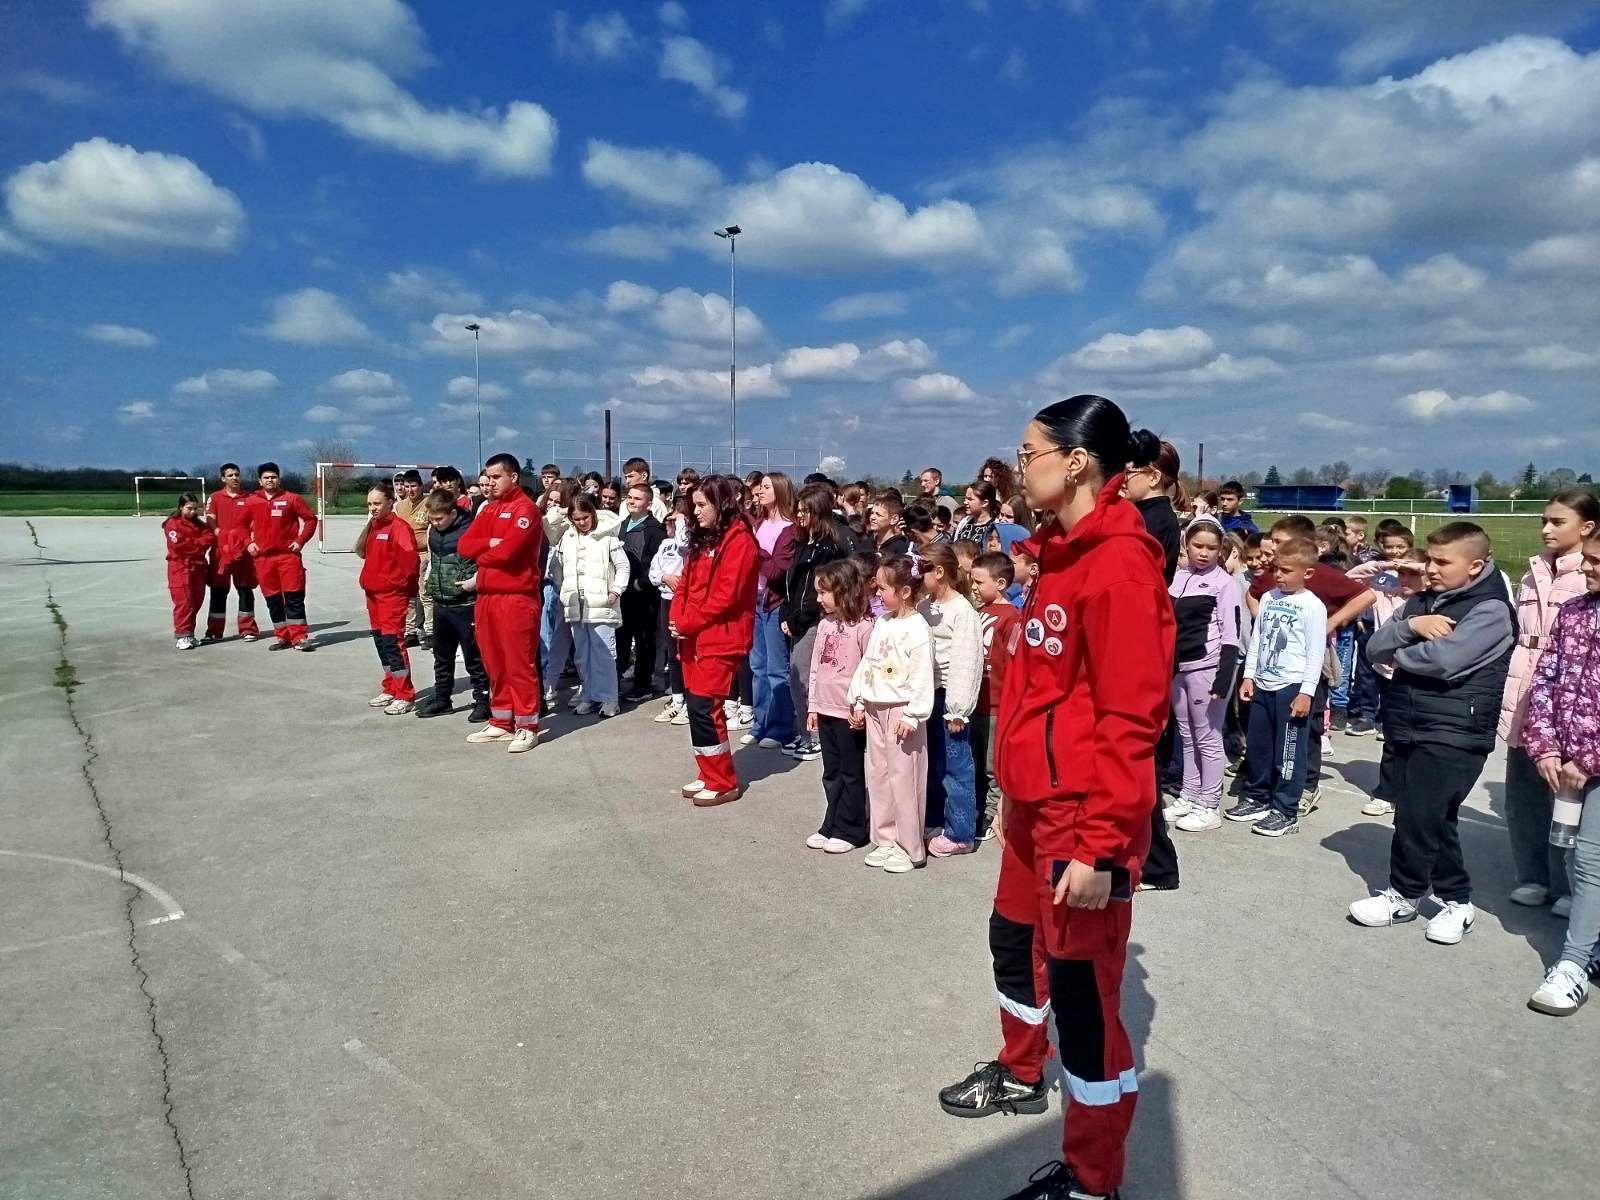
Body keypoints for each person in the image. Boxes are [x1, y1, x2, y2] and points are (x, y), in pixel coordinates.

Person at [939, 395, 1172, 1200]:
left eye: (1028, 449)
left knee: (1084, 1004)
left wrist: (1104, 845)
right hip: (1033, 810)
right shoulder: (1058, 556)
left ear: (1076, 461)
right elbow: (1046, 689)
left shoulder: (1119, 563)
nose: (1016, 461)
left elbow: (1131, 714)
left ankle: (1091, 1178)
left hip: (1082, 822)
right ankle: (1018, 1069)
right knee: (1012, 944)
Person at [1348, 522, 1515, 945]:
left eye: (1444, 562)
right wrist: (1410, 627)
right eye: (1431, 560)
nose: (1433, 569)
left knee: (1424, 812)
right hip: (1409, 719)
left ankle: (1424, 895)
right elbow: (1373, 650)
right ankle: (1445, 899)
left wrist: (1400, 652)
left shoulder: (1490, 609)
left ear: (1475, 565)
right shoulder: (1421, 602)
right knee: (1420, 813)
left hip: (1456, 727)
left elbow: (1446, 661)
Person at [1500, 490, 1598, 916]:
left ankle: (1568, 885)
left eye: (1558, 522)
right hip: (1527, 692)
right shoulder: (1534, 570)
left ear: (1587, 528)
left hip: (1573, 700)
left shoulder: (1589, 578)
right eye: (1545, 520)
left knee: (1567, 796)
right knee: (1522, 793)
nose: (1545, 529)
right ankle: (1533, 876)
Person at [1519, 529, 1600, 1014]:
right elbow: (1546, 678)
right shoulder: (1575, 612)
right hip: (1565, 764)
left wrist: (1588, 759)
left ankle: (1572, 963)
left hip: (1586, 764)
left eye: (1595, 561)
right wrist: (1545, 746)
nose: (1586, 568)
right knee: (1574, 856)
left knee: (1590, 859)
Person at [1247, 515, 1376, 812]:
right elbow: (1253, 595)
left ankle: (1305, 785)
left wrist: (1330, 622)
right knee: (1270, 734)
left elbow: (1367, 595)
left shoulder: (1321, 577)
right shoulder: (1276, 576)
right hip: (1274, 664)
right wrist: (1263, 620)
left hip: (1308, 664)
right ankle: (1264, 790)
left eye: (1280, 543)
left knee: (1307, 727)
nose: (1272, 549)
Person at [1225, 537, 1325, 836]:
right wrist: (1249, 675)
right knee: (1258, 746)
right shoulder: (1268, 598)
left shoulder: (1312, 606)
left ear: (1307, 573)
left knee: (1289, 753)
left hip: (1291, 688)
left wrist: (1306, 691)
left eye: (1286, 571)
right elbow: (1257, 640)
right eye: (1276, 570)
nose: (1278, 576)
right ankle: (1257, 796)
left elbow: (1315, 652)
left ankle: (1285, 810)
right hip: (1263, 685)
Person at [669, 475, 759, 807]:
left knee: (706, 707)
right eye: (694, 505)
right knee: (698, 708)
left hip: (719, 638)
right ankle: (708, 772)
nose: (696, 511)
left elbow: (726, 597)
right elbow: (683, 584)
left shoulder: (739, 542)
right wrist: (677, 618)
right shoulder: (703, 541)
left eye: (702, 504)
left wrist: (687, 622)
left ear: (721, 505)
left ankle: (722, 780)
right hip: (694, 636)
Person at [848, 555, 936, 874]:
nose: (877, 594)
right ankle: (885, 838)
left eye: (883, 588)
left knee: (905, 777)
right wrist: (858, 697)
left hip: (901, 711)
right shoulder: (883, 622)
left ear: (905, 592)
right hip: (875, 705)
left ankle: (910, 845)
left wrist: (913, 714)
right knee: (880, 773)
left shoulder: (917, 628)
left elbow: (923, 675)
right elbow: (869, 661)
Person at [1122, 438, 1182, 890]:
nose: (1126, 475)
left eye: (1134, 469)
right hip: (1141, 640)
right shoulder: (1146, 516)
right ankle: (1152, 858)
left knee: (1134, 760)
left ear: (1155, 475)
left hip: (1139, 643)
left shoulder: (1153, 520)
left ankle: (1157, 861)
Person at [457, 453, 544, 753]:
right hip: (487, 597)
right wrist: (490, 544)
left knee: (518, 663)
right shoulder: (487, 509)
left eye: (496, 477)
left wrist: (487, 549)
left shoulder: (526, 510)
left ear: (513, 477)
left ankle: (527, 725)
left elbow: (508, 553)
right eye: (488, 478)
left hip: (517, 598)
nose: (490, 483)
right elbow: (464, 546)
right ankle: (502, 720)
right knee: (494, 662)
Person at [1164, 518, 1244, 833]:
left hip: (1206, 668)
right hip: (1177, 670)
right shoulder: (1178, 577)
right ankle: (1190, 793)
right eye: (1198, 546)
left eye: (1212, 548)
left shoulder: (1225, 584)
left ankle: (1209, 804)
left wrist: (1223, 679)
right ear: (1187, 545)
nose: (1204, 553)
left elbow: (1230, 634)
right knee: (1186, 735)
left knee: (1208, 737)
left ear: (1221, 550)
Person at [1345, 547, 1429, 814]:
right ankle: (1386, 792)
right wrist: (1386, 565)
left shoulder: (1436, 599)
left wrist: (1422, 570)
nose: (1404, 578)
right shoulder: (1385, 593)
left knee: (1422, 740)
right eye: (1401, 573)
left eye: (1411, 573)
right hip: (1388, 674)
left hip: (1421, 677)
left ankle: (1415, 792)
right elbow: (1350, 578)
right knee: (1394, 737)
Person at [918, 541, 985, 857]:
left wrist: (958, 710)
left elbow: (966, 662)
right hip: (924, 695)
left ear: (940, 572)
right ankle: (933, 821)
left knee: (955, 766)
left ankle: (960, 832)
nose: (918, 577)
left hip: (948, 699)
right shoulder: (924, 606)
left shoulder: (963, 612)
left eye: (923, 570)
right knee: (930, 764)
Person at [804, 559, 875, 853]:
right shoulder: (824, 624)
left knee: (850, 771)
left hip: (848, 712)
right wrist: (812, 706)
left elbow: (868, 670)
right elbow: (815, 667)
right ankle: (831, 821)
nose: (819, 599)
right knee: (831, 771)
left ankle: (852, 827)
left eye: (824, 592)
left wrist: (860, 707)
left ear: (844, 590)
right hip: (825, 708)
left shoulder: (865, 628)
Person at [782, 484, 851, 760]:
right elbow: (793, 585)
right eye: (797, 511)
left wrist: (799, 619)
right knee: (797, 677)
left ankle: (812, 737)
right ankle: (803, 733)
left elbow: (820, 592)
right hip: (796, 619)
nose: (799, 516)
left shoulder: (829, 548)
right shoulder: (802, 543)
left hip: (814, 620)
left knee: (804, 678)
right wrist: (787, 615)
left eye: (805, 511)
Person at [417, 489, 490, 721]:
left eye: (439, 519)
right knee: (442, 655)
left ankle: (482, 700)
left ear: (452, 512)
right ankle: (442, 698)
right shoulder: (433, 532)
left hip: (465, 602)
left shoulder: (471, 529)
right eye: (432, 519)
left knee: (474, 656)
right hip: (441, 602)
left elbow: (484, 561)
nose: (435, 523)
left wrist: (473, 582)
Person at [554, 494, 629, 718]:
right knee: (582, 655)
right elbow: (557, 568)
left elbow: (623, 566)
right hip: (576, 605)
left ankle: (609, 699)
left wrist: (615, 590)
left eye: (585, 517)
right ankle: (588, 695)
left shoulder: (608, 537)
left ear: (593, 514)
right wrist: (564, 592)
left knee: (604, 654)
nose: (581, 522)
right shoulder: (566, 539)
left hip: (602, 604)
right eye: (576, 519)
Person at [354, 485, 421, 715]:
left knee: (393, 643)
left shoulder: (399, 528)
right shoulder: (373, 526)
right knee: (381, 642)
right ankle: (390, 686)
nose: (372, 508)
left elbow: (410, 564)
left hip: (391, 596)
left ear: (390, 502)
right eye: (370, 504)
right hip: (373, 594)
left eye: (377, 503)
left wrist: (400, 587)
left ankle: (405, 694)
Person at [970, 551, 1021, 841]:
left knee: (992, 766)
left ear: (1000, 583)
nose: (974, 587)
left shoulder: (1011, 617)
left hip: (996, 704)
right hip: (975, 701)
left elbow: (1013, 662)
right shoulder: (981, 612)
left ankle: (992, 815)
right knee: (976, 762)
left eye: (979, 582)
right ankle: (978, 810)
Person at [243, 462, 317, 651]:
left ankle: (299, 637)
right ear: (260, 481)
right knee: (273, 600)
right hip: (263, 560)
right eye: (266, 477)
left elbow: (310, 519)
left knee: (294, 598)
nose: (270, 480)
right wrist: (248, 542)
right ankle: (283, 636)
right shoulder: (251, 501)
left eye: (273, 477)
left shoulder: (292, 499)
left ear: (279, 479)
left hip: (288, 558)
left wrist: (300, 541)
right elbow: (240, 525)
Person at [749, 473, 798, 750]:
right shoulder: (759, 523)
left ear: (779, 490)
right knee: (757, 666)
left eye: (766, 487)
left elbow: (777, 572)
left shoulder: (788, 529)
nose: (760, 491)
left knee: (776, 668)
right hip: (753, 599)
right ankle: (760, 721)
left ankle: (780, 728)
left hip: (772, 601)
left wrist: (755, 549)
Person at [617, 483, 665, 703]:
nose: (631, 501)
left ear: (649, 503)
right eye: (629, 497)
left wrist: (639, 583)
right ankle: (616, 680)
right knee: (622, 638)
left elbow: (656, 563)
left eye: (637, 498)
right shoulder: (622, 525)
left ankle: (642, 684)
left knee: (644, 639)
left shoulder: (654, 530)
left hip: (643, 596)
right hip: (622, 594)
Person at [203, 463, 259, 641]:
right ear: (223, 478)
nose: (235, 478)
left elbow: (254, 521)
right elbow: (210, 520)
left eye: (237, 474)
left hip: (243, 552)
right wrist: (222, 536)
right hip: (222, 552)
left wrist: (243, 539)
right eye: (230, 475)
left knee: (245, 589)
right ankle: (214, 631)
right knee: (218, 591)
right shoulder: (215, 498)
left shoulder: (249, 497)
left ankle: (248, 629)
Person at [650, 501, 693, 726]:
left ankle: (690, 700)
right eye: (670, 520)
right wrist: (664, 578)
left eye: (677, 520)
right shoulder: (665, 544)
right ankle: (677, 698)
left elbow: (684, 546)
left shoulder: (689, 541)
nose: (672, 524)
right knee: (672, 651)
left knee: (686, 651)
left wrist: (683, 525)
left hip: (686, 601)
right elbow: (654, 571)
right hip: (666, 599)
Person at [162, 493, 215, 650]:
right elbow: (178, 545)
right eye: (189, 508)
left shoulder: (200, 525)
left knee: (196, 601)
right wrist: (197, 544)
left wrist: (194, 544)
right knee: (183, 602)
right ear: (180, 507)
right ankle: (182, 635)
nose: (193, 512)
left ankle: (190, 634)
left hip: (198, 567)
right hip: (180, 567)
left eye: (195, 509)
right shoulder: (172, 524)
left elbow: (209, 538)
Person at [392, 470, 432, 646]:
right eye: (407, 486)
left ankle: (430, 631)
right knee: (409, 595)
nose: (410, 490)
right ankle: (410, 631)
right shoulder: (399, 507)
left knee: (425, 595)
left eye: (413, 486)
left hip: (424, 554)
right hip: (406, 556)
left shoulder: (429, 503)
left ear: (420, 486)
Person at [622, 456, 671, 522]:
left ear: (644, 475)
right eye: (626, 477)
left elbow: (661, 529)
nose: (627, 481)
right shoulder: (624, 504)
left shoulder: (656, 504)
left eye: (631, 476)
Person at [955, 480, 1001, 548]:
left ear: (985, 503)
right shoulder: (964, 522)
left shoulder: (996, 527)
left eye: (970, 499)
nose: (965, 502)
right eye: (965, 498)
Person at [867, 491, 909, 556]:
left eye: (878, 515)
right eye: (872, 513)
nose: (872, 517)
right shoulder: (867, 543)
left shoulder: (901, 548)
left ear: (894, 519)